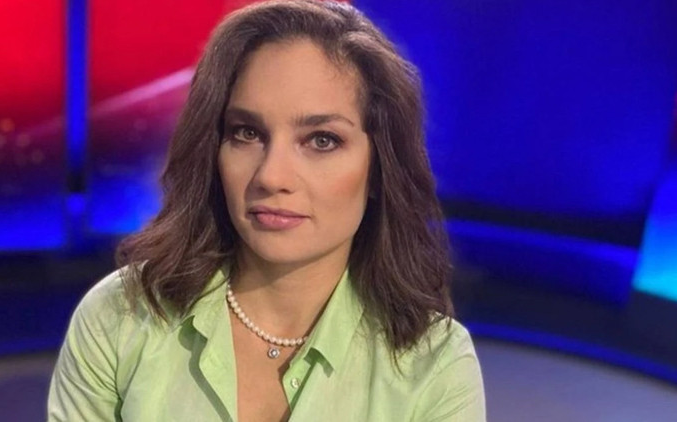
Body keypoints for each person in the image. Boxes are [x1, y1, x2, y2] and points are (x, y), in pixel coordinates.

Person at [47, 1, 485, 421]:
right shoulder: (120, 318)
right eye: (247, 133)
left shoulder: (434, 366)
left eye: (322, 140)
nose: (272, 177)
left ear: (379, 170)